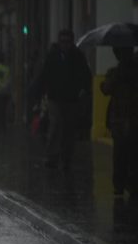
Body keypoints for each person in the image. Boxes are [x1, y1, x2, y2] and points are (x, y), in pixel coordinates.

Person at [34, 29, 92, 170]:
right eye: (62, 41)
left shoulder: (78, 57)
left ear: (71, 42)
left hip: (72, 99)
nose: (65, 45)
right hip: (55, 98)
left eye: (67, 42)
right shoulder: (52, 56)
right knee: (56, 125)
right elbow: (44, 75)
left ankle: (67, 158)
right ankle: (51, 157)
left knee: (69, 130)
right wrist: (39, 93)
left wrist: (84, 90)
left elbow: (86, 75)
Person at [100, 47, 138, 195]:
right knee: (121, 154)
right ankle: (120, 184)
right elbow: (105, 89)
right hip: (119, 119)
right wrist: (117, 76)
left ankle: (130, 183)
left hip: (132, 118)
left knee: (131, 153)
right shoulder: (115, 72)